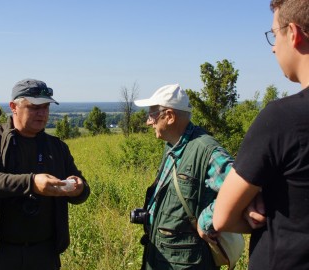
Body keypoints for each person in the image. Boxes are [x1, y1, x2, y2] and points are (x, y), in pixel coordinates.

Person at [213, 0, 309, 269]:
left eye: (274, 34)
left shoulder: (282, 119)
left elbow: (221, 218)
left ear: (294, 33)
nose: (273, 47)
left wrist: (250, 204)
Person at [0, 79, 90, 270]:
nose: (42, 113)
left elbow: (82, 190)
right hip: (0, 253)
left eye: (46, 107)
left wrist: (78, 187)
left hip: (44, 253)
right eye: (34, 107)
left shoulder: (57, 147)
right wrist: (31, 183)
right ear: (13, 107)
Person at [132, 84, 234, 270]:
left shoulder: (205, 150)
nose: (149, 122)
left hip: (187, 262)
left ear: (169, 116)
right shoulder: (174, 145)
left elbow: (239, 188)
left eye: (152, 115)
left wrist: (207, 220)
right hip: (164, 257)